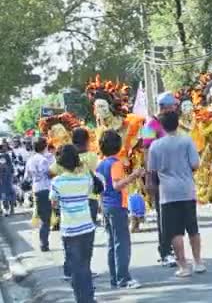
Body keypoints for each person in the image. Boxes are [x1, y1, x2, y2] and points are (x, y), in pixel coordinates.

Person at [148, 111, 206, 277]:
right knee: (192, 228)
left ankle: (183, 266)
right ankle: (198, 262)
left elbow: (152, 169)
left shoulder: (155, 145)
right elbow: (195, 164)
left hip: (167, 193)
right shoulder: (187, 140)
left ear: (162, 125)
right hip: (187, 189)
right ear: (177, 122)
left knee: (175, 231)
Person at [50, 145, 96, 303]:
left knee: (76, 268)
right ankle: (89, 297)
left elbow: (54, 203)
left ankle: (81, 299)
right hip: (87, 227)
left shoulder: (57, 182)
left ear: (60, 162)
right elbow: (90, 192)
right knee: (86, 264)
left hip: (70, 230)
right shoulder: (86, 178)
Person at [97, 130, 143, 289]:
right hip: (117, 205)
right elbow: (117, 185)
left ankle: (115, 278)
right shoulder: (115, 163)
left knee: (112, 242)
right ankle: (123, 278)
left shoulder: (101, 164)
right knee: (122, 243)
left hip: (106, 205)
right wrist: (134, 175)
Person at [141, 91, 178, 267]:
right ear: (164, 107)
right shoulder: (150, 124)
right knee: (163, 214)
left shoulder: (172, 124)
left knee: (175, 213)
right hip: (158, 176)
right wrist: (149, 179)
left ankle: (175, 249)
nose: (175, 108)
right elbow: (146, 152)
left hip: (175, 175)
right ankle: (165, 251)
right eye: (172, 106)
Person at [25, 137, 53, 252]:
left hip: (36, 189)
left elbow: (26, 177)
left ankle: (43, 242)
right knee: (46, 219)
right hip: (45, 189)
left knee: (43, 217)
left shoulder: (30, 160)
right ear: (45, 146)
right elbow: (49, 174)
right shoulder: (44, 160)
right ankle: (44, 243)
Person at [0, 143, 15, 216]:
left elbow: (10, 167)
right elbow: (4, 167)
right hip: (5, 179)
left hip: (6, 178)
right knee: (7, 194)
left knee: (5, 194)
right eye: (4, 147)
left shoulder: (6, 155)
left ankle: (9, 209)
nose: (5, 148)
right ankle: (9, 209)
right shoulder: (4, 155)